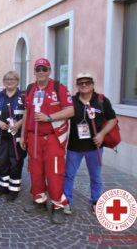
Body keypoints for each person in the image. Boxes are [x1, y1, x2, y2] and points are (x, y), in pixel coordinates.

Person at [20, 58, 74, 224]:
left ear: (49, 71)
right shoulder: (30, 88)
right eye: (38, 69)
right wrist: (23, 135)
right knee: (35, 171)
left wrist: (49, 117)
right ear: (34, 71)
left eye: (44, 69)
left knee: (54, 173)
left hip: (52, 138)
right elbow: (27, 113)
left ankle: (57, 205)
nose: (41, 72)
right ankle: (40, 201)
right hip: (33, 137)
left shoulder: (59, 88)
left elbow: (71, 111)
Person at [63, 73, 117, 215]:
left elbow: (112, 120)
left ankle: (95, 202)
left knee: (95, 177)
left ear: (93, 84)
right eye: (81, 83)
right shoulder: (72, 101)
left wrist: (102, 134)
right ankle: (66, 202)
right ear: (77, 86)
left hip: (95, 147)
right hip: (75, 147)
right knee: (69, 175)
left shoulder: (101, 100)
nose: (84, 85)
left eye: (87, 82)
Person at [0, 71, 27, 201]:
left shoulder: (23, 96)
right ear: (4, 81)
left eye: (13, 79)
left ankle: (13, 190)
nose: (10, 81)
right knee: (3, 162)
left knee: (15, 162)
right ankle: (3, 187)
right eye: (7, 79)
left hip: (18, 137)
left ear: (17, 81)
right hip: (2, 135)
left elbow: (29, 113)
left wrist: (19, 124)